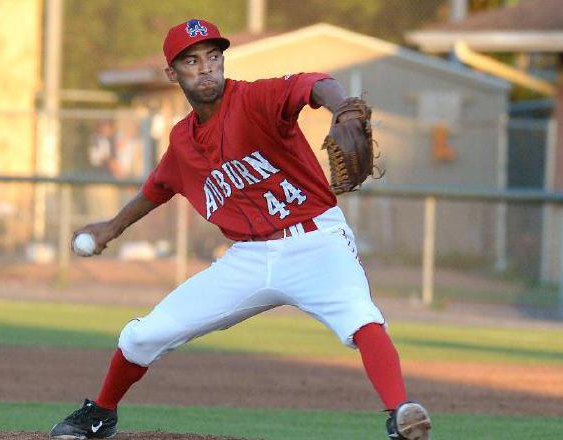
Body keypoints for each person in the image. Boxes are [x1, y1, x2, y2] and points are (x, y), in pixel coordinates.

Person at [49, 19, 432, 440]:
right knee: (142, 335)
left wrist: (341, 106)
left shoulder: (255, 99)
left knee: (362, 320)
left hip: (317, 242)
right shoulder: (183, 142)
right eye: (192, 61)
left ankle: (401, 414)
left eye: (213, 57)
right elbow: (157, 188)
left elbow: (312, 83)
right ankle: (100, 415)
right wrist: (110, 228)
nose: (206, 68)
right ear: (172, 74)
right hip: (248, 258)